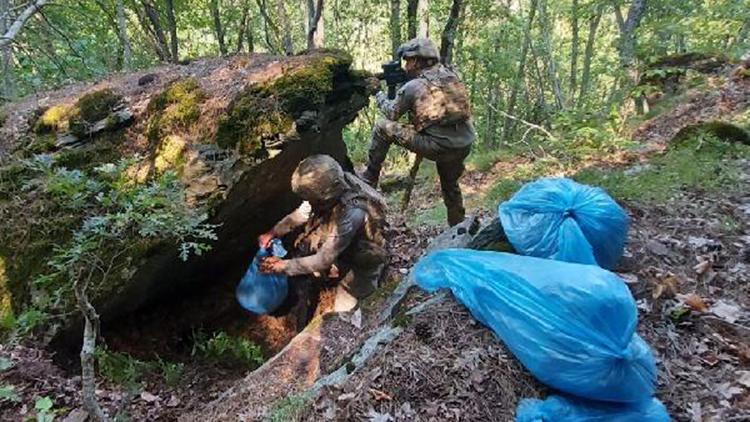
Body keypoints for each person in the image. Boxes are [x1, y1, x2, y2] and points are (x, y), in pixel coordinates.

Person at [361, 37, 476, 226]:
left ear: (415, 61)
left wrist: (377, 93)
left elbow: (392, 113)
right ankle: (458, 227)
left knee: (382, 127)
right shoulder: (451, 76)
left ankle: (370, 175)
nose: (406, 66)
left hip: (439, 146)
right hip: (464, 143)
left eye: (407, 61)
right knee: (450, 186)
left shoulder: (414, 86)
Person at [258, 154, 388, 313]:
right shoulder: (333, 183)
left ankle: (366, 287)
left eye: (312, 199)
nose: (310, 202)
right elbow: (301, 214)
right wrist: (273, 232)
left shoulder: (353, 213)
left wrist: (283, 266)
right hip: (344, 242)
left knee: (344, 308)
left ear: (324, 196)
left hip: (363, 256)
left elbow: (323, 259)